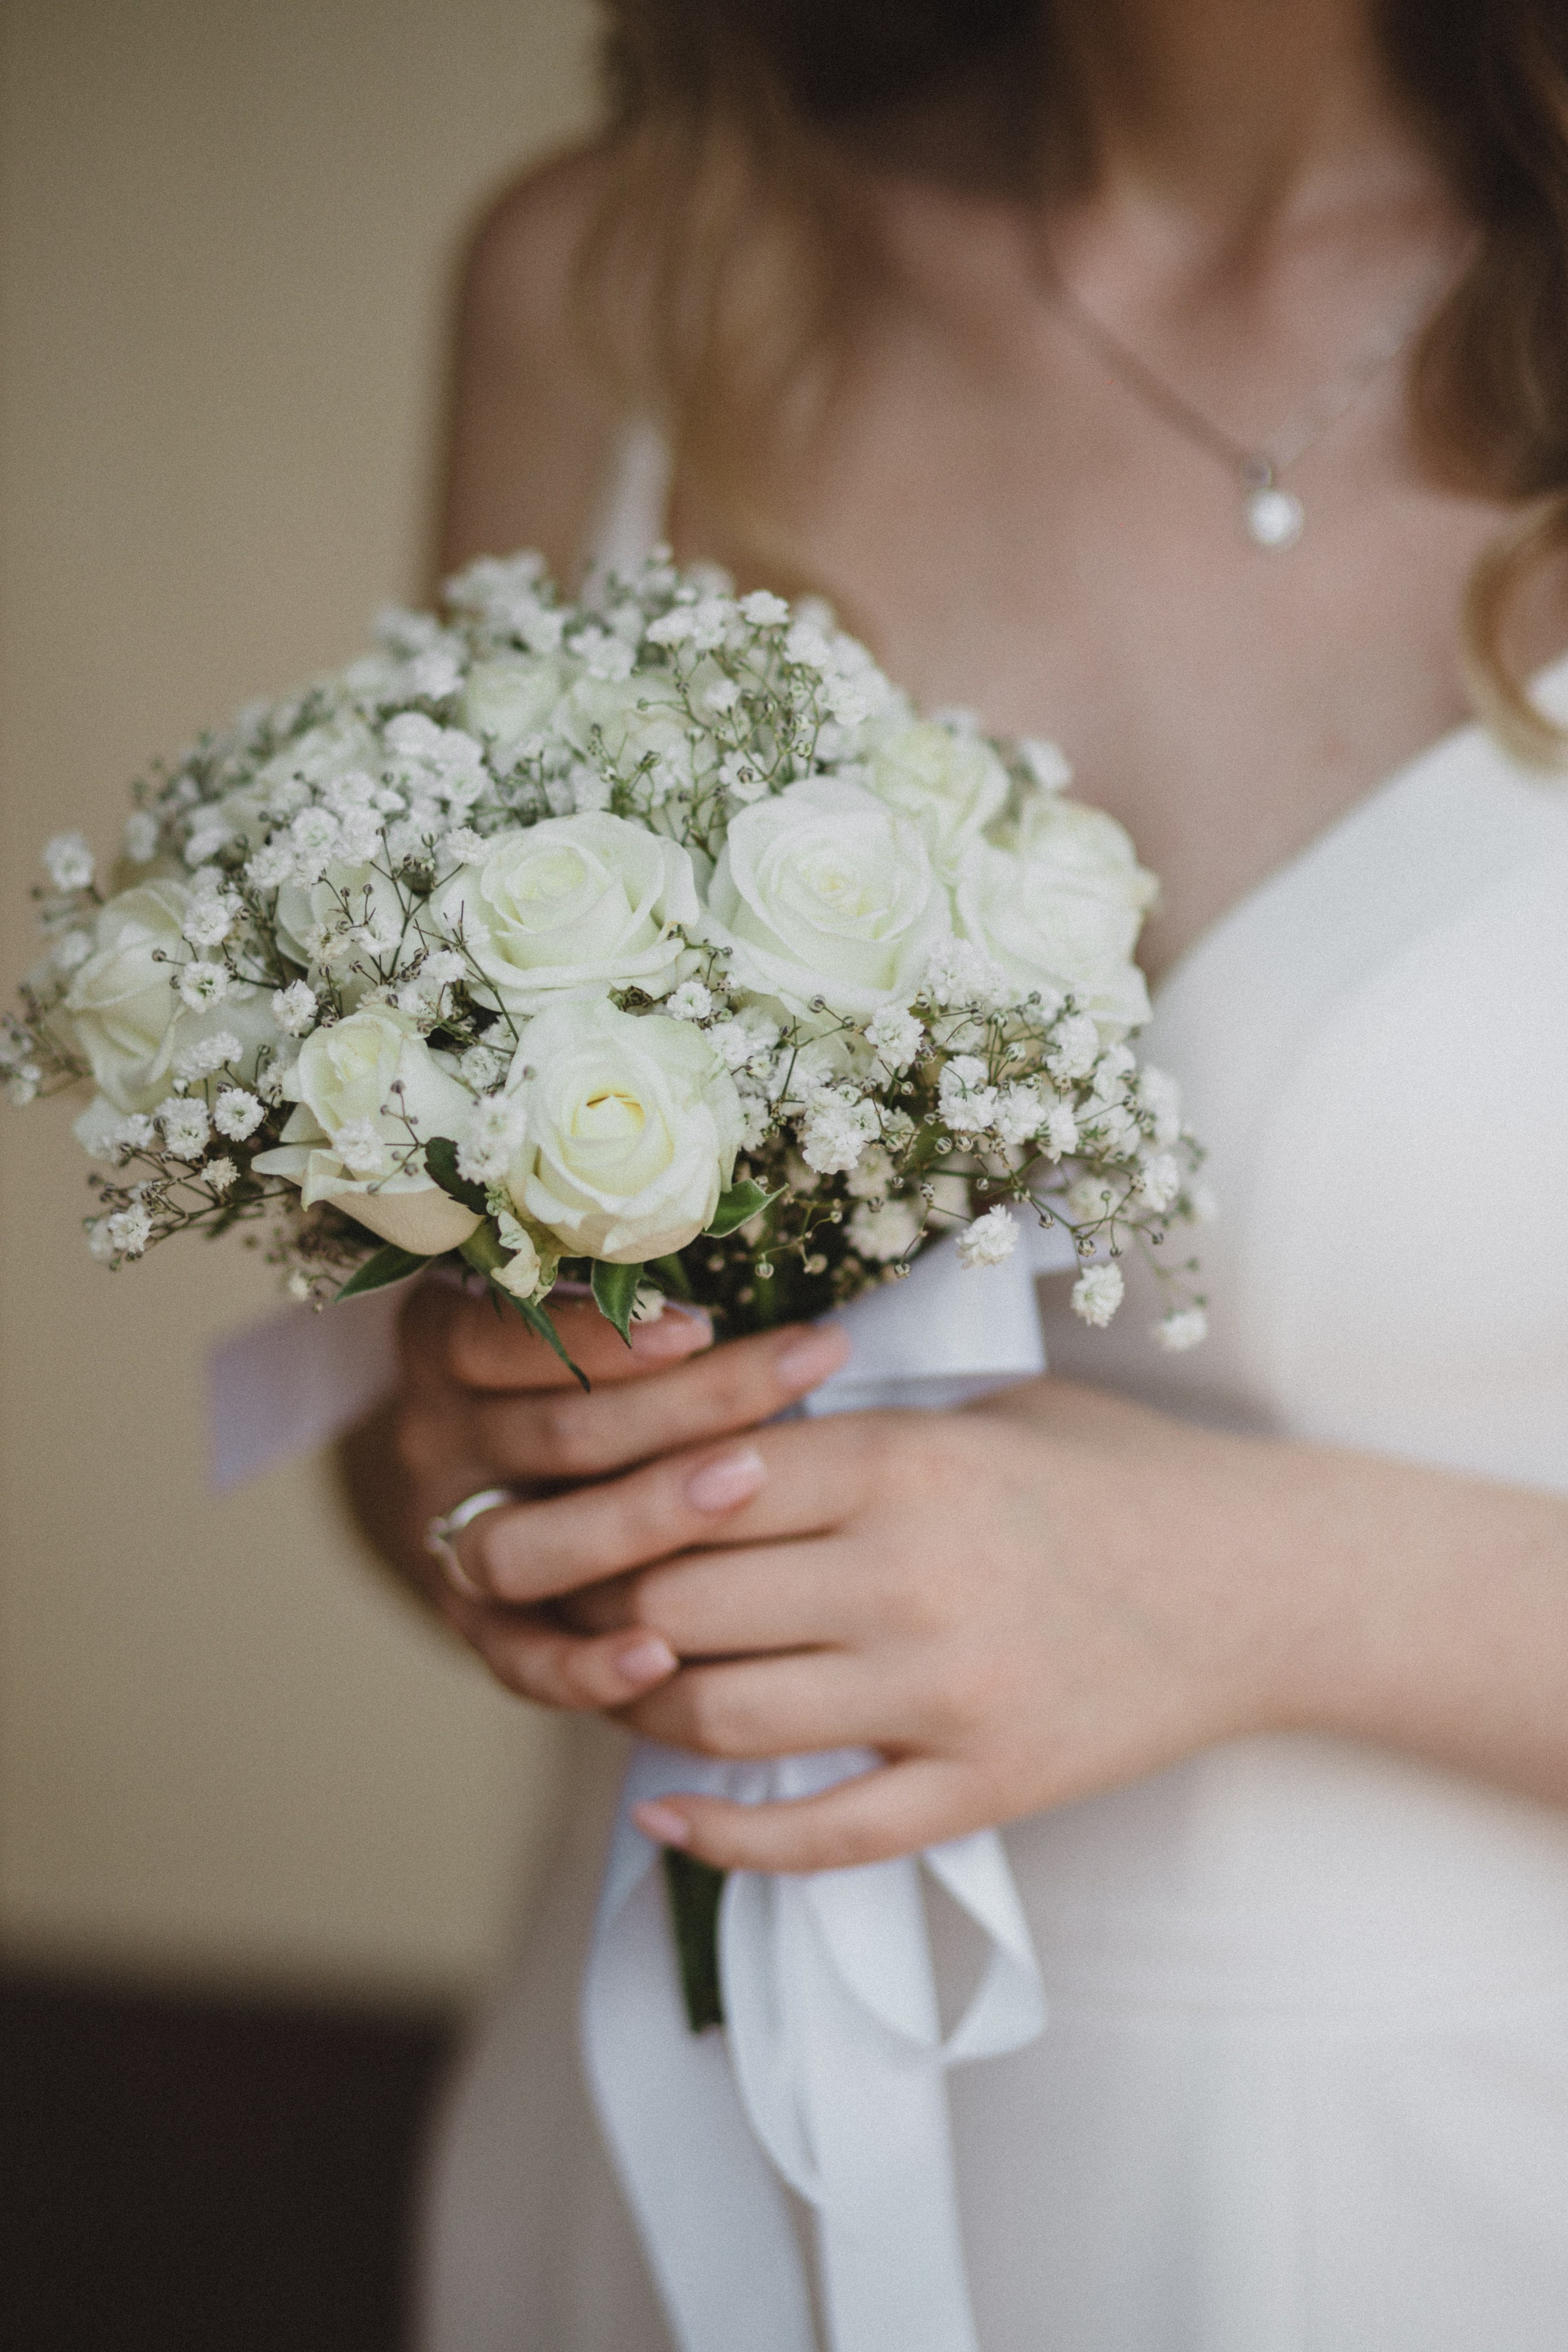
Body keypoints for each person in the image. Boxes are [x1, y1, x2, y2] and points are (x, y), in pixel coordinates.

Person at [339, 2, 1568, 2343]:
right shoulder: (615, 286)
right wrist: (506, 1480)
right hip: (682, 2151)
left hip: (1467, 2191)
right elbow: (391, 1446)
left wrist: (1267, 1588)